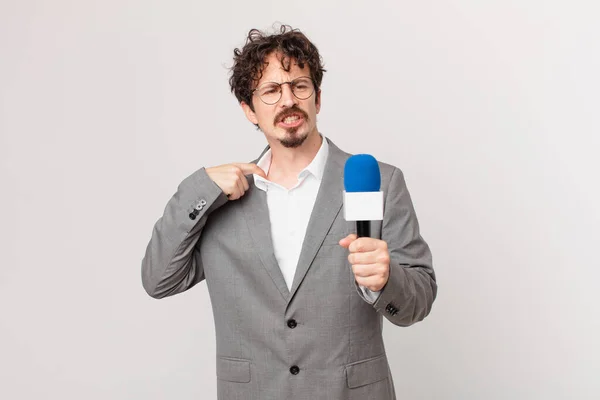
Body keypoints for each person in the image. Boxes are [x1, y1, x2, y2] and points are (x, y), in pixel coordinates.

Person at [141, 25, 437, 400]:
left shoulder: (381, 182)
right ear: (249, 110)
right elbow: (158, 280)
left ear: (317, 98)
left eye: (299, 85)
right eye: (271, 91)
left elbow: (418, 301)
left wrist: (386, 278)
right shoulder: (217, 201)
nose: (288, 101)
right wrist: (198, 188)